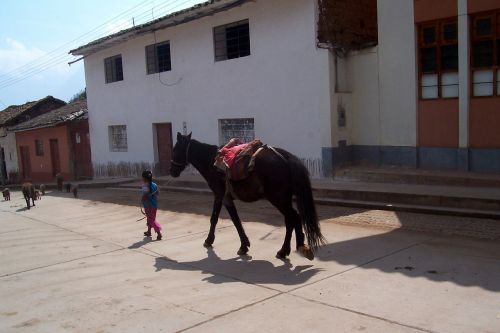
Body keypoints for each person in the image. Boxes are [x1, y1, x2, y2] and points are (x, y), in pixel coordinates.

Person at [141, 170, 162, 240]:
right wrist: (158, 190)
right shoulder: (155, 185)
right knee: (151, 218)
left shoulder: (145, 186)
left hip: (148, 206)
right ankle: (149, 231)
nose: (142, 179)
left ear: (145, 178)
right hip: (154, 206)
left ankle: (159, 233)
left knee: (151, 219)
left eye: (142, 178)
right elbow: (158, 194)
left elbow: (144, 196)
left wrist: (142, 199)